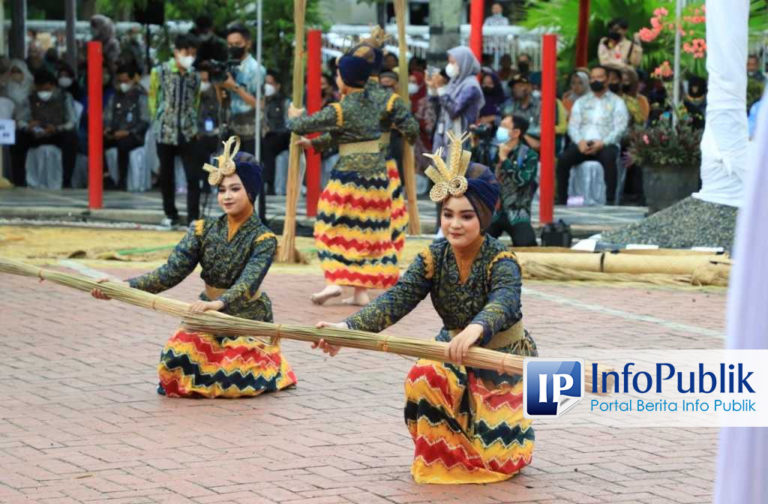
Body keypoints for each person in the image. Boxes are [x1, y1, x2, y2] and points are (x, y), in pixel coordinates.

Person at [313, 134, 537, 484]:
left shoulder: (501, 259)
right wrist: (348, 330)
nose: (455, 224)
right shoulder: (434, 257)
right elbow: (397, 298)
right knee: (424, 376)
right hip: (451, 352)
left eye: (466, 215)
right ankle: (445, 457)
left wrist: (475, 330)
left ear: (484, 216)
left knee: (497, 458)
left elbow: (504, 302)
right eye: (448, 214)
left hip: (501, 361)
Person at [91, 141, 297, 398]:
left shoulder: (263, 239)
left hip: (246, 317)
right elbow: (170, 272)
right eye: (222, 190)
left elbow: (248, 283)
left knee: (233, 377)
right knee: (174, 366)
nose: (227, 196)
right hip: (206, 315)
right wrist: (123, 287)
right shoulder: (202, 230)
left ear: (252, 192)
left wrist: (219, 303)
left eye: (235, 188)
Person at [288, 43, 400, 306]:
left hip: (349, 177)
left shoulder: (341, 108)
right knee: (365, 233)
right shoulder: (376, 103)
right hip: (377, 178)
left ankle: (334, 281)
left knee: (329, 226)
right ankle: (360, 292)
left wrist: (294, 116)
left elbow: (301, 125)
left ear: (344, 81)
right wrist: (315, 145)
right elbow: (346, 134)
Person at [353, 28, 419, 260]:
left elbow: (410, 129)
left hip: (373, 157)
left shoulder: (365, 95)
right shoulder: (372, 96)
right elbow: (412, 129)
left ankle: (368, 249)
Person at [149, 33, 202, 226]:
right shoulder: (160, 72)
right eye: (186, 52)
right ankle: (170, 213)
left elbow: (196, 100)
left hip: (188, 130)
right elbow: (153, 97)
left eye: (193, 53)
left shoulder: (194, 76)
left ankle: (193, 217)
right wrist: (158, 120)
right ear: (176, 52)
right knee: (167, 175)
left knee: (193, 176)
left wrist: (193, 122)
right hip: (166, 129)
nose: (190, 57)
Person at [556, 65, 629, 205]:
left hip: (606, 143)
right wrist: (579, 141)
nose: (595, 80)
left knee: (609, 159)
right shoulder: (581, 102)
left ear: (607, 80)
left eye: (600, 77)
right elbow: (573, 125)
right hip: (583, 143)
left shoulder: (617, 102)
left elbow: (620, 127)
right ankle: (562, 199)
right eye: (593, 78)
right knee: (564, 159)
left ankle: (610, 200)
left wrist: (603, 142)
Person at [12, 69, 78, 188]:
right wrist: (28, 126)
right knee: (18, 137)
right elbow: (20, 119)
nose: (43, 92)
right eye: (40, 90)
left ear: (53, 86)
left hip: (56, 132)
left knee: (71, 138)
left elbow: (72, 121)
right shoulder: (29, 98)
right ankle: (19, 180)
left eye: (47, 89)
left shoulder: (65, 97)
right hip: (36, 133)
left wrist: (57, 128)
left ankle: (66, 181)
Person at [488, 114, 538, 246]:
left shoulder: (529, 155)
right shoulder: (493, 150)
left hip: (517, 211)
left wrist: (505, 160)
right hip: (494, 211)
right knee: (476, 242)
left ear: (516, 133)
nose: (500, 129)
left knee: (527, 243)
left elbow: (522, 180)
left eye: (504, 127)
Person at [427, 46, 485, 152]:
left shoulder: (471, 86)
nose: (450, 66)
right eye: (449, 62)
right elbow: (439, 108)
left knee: (455, 168)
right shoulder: (454, 82)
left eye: (453, 63)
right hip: (443, 132)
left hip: (459, 137)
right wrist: (433, 90)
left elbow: (454, 111)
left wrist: (440, 88)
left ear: (464, 63)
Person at [219, 23, 263, 157]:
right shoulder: (227, 66)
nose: (233, 48)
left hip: (250, 132)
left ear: (247, 44)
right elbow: (222, 101)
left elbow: (259, 104)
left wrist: (235, 87)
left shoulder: (256, 69)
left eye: (237, 44)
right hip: (230, 129)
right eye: (230, 44)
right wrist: (218, 84)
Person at [104, 62, 150, 190]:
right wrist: (107, 128)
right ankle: (106, 177)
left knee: (123, 144)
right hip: (115, 133)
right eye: (120, 81)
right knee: (96, 142)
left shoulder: (141, 97)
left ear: (132, 80)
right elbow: (107, 116)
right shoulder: (114, 97)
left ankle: (122, 181)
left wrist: (128, 132)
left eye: (126, 81)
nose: (122, 84)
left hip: (134, 135)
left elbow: (145, 120)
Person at [260, 70, 291, 195]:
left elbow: (288, 124)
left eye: (270, 83)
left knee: (268, 146)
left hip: (280, 135)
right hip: (262, 135)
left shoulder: (284, 102)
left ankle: (269, 183)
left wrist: (271, 129)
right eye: (265, 83)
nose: (267, 86)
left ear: (277, 86)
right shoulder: (259, 100)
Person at [502, 76, 541, 150]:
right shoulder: (510, 107)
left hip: (536, 146)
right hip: (514, 145)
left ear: (529, 87)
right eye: (514, 87)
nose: (516, 89)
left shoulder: (539, 106)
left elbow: (540, 131)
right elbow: (506, 130)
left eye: (520, 86)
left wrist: (520, 133)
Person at [408, 70, 436, 173]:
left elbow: (429, 125)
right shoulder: (405, 99)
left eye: (414, 82)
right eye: (409, 81)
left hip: (422, 142)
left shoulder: (426, 101)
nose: (411, 85)